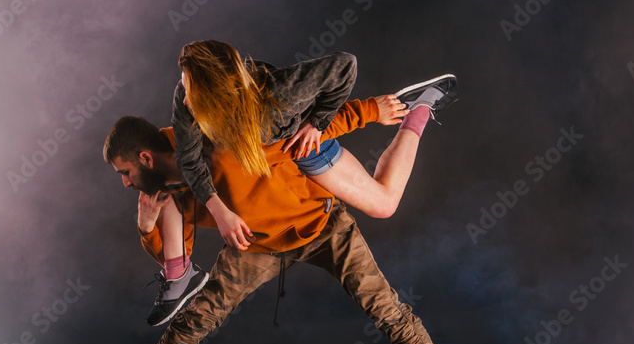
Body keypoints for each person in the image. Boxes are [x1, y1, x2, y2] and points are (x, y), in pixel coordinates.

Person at [101, 93, 461, 344]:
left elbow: (302, 130)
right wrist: (146, 227)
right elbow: (178, 264)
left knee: (384, 306)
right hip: (255, 246)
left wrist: (370, 110)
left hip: (321, 226)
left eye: (125, 172)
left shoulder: (214, 141)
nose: (125, 183)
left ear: (146, 157)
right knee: (198, 315)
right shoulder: (161, 189)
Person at [143, 40, 455, 327]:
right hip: (268, 159)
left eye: (192, 91)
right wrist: (219, 210)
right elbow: (189, 159)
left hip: (302, 145)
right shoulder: (186, 100)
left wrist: (318, 125)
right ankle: (179, 276)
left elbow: (344, 64)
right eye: (184, 86)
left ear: (218, 95)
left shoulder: (278, 100)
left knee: (384, 205)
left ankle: (418, 110)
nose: (184, 97)